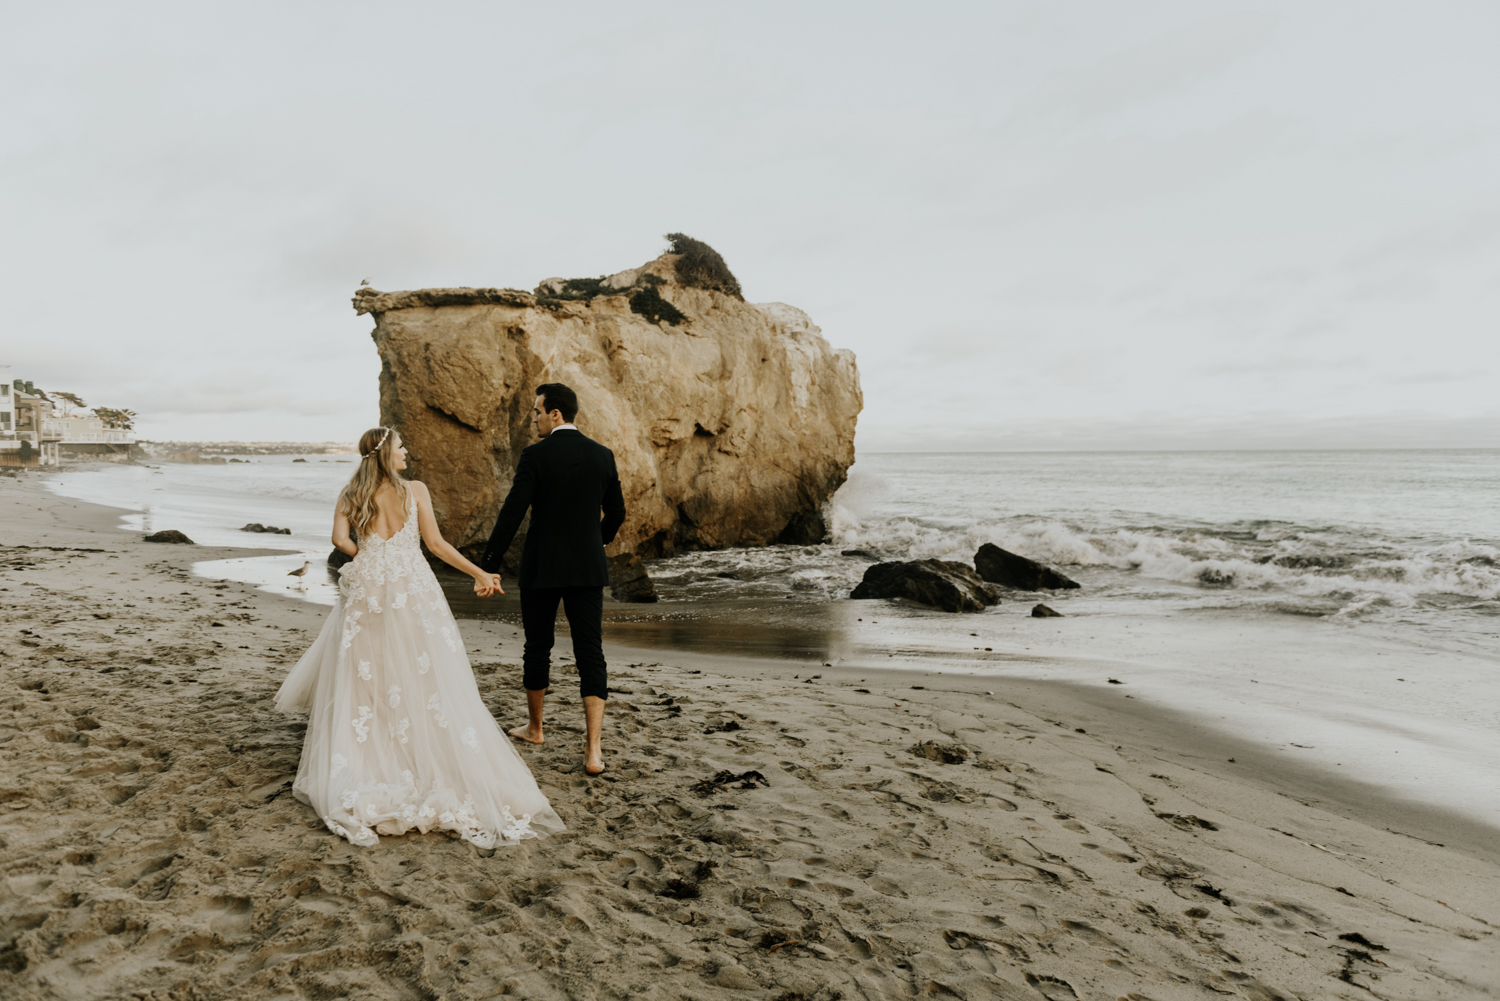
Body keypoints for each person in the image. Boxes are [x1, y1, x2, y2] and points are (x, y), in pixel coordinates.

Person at [275, 427, 564, 848]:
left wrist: (371, 555)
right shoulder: (416, 491)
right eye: (400, 447)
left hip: (369, 588)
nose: (407, 451)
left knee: (367, 676)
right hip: (412, 587)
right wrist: (480, 573)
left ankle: (371, 758)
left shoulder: (351, 493)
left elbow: (339, 541)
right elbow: (437, 544)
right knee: (421, 668)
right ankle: (422, 754)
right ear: (385, 454)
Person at [482, 383, 626, 776]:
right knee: (590, 652)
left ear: (555, 414)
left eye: (536, 412)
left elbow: (512, 513)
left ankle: (535, 728)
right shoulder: (602, 455)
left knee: (537, 645)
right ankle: (593, 750)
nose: (534, 419)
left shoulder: (536, 455)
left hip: (542, 567)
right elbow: (616, 512)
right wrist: (595, 541)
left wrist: (489, 563)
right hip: (586, 569)